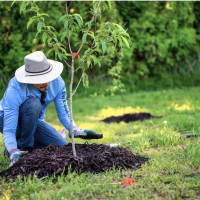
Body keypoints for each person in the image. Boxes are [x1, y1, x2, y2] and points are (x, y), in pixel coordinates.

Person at [0, 51, 103, 167]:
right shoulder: (16, 88)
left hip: (34, 121)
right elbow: (9, 129)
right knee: (33, 103)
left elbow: (64, 113)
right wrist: (13, 151)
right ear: (30, 78)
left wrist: (74, 129)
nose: (46, 82)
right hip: (6, 120)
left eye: (47, 77)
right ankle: (23, 148)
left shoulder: (58, 83)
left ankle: (20, 146)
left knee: (62, 146)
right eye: (40, 79)